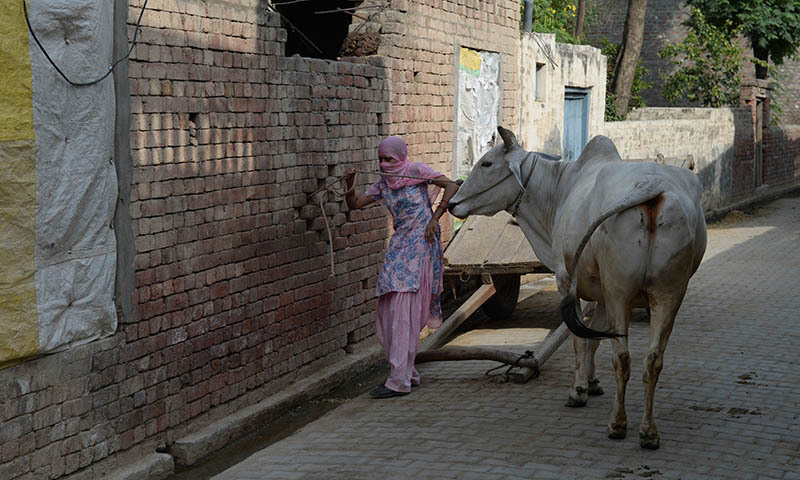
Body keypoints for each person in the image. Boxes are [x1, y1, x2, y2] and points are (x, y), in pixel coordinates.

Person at [344, 136, 460, 399]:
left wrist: (435, 218)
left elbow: (450, 186)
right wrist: (348, 186)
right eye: (381, 159)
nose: (385, 164)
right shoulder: (383, 185)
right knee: (389, 310)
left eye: (390, 159)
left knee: (402, 311)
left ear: (402, 157)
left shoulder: (417, 171)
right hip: (398, 248)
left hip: (421, 246)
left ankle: (399, 381)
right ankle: (407, 372)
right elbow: (354, 205)